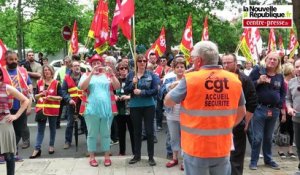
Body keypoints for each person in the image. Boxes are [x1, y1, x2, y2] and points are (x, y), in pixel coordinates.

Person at [164, 41, 246, 175]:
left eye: (192, 58)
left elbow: (168, 102)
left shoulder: (190, 79)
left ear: (198, 61)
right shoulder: (234, 80)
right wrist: (226, 126)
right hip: (222, 146)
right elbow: (242, 112)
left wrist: (188, 73)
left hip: (196, 147)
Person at [79, 54, 120, 167]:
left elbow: (117, 86)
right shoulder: (86, 75)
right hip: (91, 110)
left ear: (102, 64)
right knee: (92, 134)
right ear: (90, 65)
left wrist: (112, 74)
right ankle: (92, 157)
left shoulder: (107, 75)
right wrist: (91, 73)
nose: (96, 65)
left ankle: (107, 156)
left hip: (107, 110)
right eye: (94, 63)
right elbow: (82, 87)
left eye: (98, 63)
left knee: (106, 134)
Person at [222, 53, 258, 175]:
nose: (226, 65)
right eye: (224, 62)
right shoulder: (219, 78)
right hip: (221, 124)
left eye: (228, 62)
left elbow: (252, 103)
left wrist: (246, 122)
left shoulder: (244, 79)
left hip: (237, 124)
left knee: (236, 159)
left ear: (236, 62)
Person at [249, 52, 286, 170]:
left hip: (274, 110)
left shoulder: (279, 76)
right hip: (259, 109)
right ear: (266, 59)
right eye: (270, 59)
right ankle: (253, 161)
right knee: (258, 137)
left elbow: (283, 92)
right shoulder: (258, 71)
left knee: (269, 137)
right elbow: (248, 87)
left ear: (278, 63)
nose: (272, 61)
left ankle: (268, 160)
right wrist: (258, 81)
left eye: (275, 59)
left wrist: (280, 104)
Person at [124, 54, 159, 166]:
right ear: (136, 62)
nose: (142, 62)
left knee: (149, 132)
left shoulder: (151, 75)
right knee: (136, 132)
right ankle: (137, 155)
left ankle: (151, 157)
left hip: (149, 106)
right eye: (140, 61)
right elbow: (126, 90)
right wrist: (132, 84)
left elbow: (155, 91)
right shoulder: (131, 75)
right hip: (135, 106)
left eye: (144, 60)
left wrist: (142, 92)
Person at [2, 50, 32, 161]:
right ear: (6, 60)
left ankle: (13, 152)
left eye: (15, 59)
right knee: (6, 132)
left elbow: (28, 82)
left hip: (21, 105)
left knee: (19, 130)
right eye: (11, 59)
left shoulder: (22, 70)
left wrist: (30, 87)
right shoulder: (2, 71)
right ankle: (6, 154)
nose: (14, 61)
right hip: (6, 107)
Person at [0, 67, 29, 175]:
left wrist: (16, 115)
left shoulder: (6, 87)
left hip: (4, 123)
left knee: (9, 155)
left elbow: (25, 100)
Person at [29, 65, 62, 158]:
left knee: (52, 129)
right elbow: (34, 97)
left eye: (48, 70)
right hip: (41, 110)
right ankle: (36, 149)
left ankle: (51, 146)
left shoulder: (56, 83)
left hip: (52, 109)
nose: (46, 71)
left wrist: (51, 97)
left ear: (52, 72)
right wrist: (40, 94)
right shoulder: (39, 82)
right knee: (40, 130)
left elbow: (60, 97)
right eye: (45, 70)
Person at [160, 56, 186, 169]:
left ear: (185, 68)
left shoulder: (189, 79)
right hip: (171, 113)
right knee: (174, 137)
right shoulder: (170, 79)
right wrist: (170, 86)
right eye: (178, 67)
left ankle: (185, 161)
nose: (180, 69)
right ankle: (175, 158)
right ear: (174, 69)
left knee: (185, 138)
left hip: (185, 114)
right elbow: (160, 92)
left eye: (182, 67)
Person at [62, 60, 87, 149]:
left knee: (86, 122)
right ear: (71, 68)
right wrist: (69, 100)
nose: (77, 67)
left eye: (78, 66)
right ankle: (67, 141)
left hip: (83, 103)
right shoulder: (67, 78)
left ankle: (89, 141)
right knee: (70, 123)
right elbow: (63, 90)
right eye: (75, 66)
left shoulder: (84, 76)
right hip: (72, 104)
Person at [115, 62, 134, 155]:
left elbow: (136, 93)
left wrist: (128, 97)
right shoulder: (116, 80)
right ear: (118, 71)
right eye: (121, 68)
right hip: (119, 110)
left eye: (125, 68)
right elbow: (112, 92)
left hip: (131, 109)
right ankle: (122, 152)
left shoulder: (132, 80)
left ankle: (135, 152)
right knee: (121, 132)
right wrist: (115, 97)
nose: (123, 70)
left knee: (133, 132)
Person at [277, 63, 296, 159]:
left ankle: (290, 149)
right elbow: (282, 98)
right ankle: (280, 150)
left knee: (292, 130)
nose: (295, 72)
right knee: (283, 129)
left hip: (294, 109)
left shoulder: (294, 82)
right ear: (289, 71)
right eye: (293, 70)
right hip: (284, 110)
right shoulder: (283, 83)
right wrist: (283, 113)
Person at [286, 58, 300, 170]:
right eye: (297, 67)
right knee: (299, 145)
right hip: (297, 118)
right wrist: (289, 107)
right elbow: (288, 99)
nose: (299, 69)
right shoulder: (291, 82)